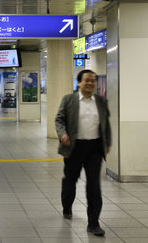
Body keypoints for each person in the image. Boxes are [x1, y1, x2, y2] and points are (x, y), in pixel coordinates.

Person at [55, 69, 111, 237]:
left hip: (94, 149)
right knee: (70, 180)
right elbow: (59, 119)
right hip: (74, 147)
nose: (90, 83)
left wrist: (107, 142)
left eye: (93, 80)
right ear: (79, 82)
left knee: (94, 185)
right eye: (87, 80)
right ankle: (67, 206)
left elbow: (105, 123)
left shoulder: (100, 101)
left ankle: (93, 223)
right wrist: (62, 133)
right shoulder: (69, 99)